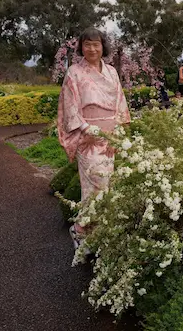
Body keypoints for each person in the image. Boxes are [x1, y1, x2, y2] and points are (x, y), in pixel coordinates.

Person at [57, 27, 131, 250]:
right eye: (87, 44)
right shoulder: (74, 73)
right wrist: (87, 128)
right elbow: (70, 106)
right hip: (88, 135)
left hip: (109, 138)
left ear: (102, 47)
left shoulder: (111, 72)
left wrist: (117, 131)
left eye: (96, 44)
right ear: (81, 47)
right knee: (95, 185)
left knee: (106, 186)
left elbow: (119, 101)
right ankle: (80, 229)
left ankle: (95, 233)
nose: (91, 49)